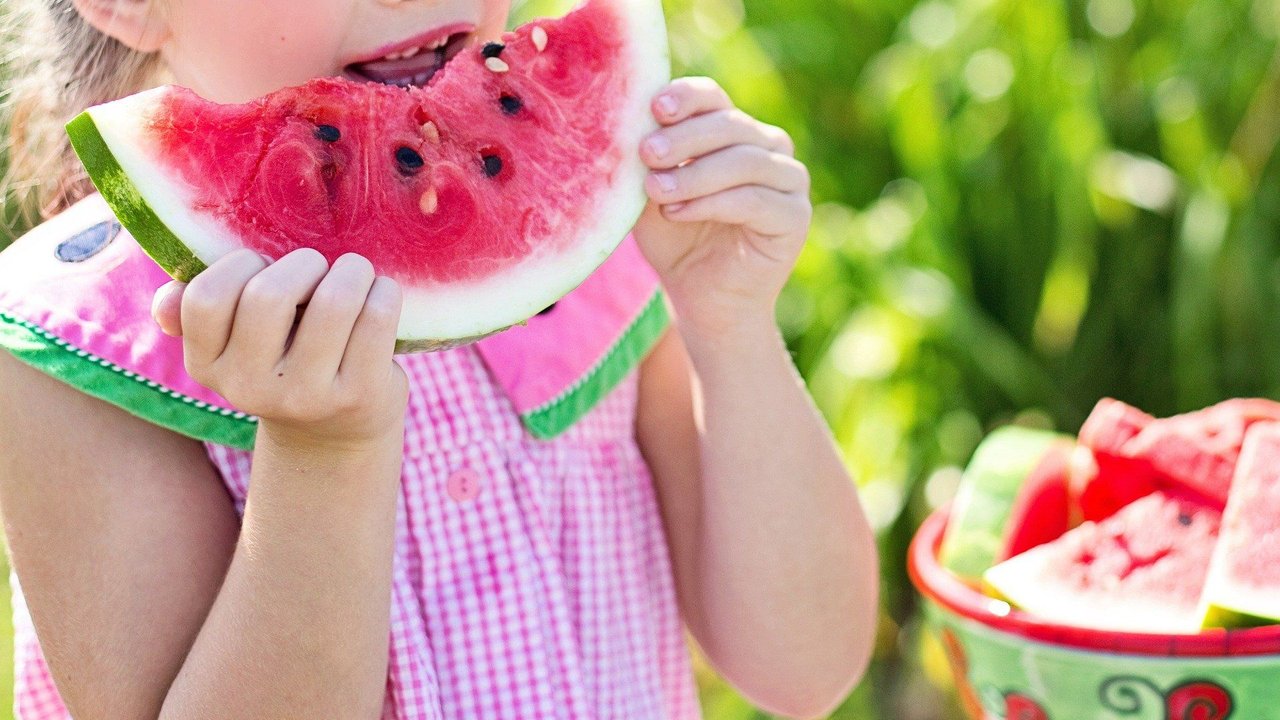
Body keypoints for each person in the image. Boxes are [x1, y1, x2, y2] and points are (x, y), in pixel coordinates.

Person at [0, 0, 878, 717]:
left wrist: (731, 324)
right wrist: (323, 457)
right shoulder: (74, 353)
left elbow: (806, 668)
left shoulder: (604, 238)